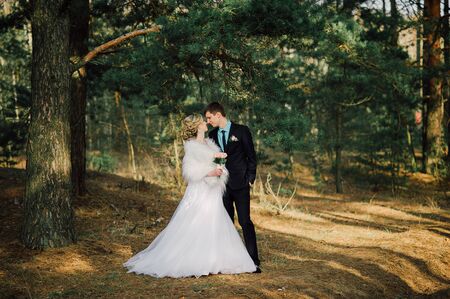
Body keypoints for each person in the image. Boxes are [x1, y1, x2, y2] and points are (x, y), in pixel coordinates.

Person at [123, 114, 256, 278]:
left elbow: (213, 163)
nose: (206, 122)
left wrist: (220, 169)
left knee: (215, 223)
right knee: (196, 222)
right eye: (202, 121)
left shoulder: (208, 143)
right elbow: (190, 172)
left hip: (213, 190)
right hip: (200, 190)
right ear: (197, 126)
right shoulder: (192, 146)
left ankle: (216, 258)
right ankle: (195, 259)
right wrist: (210, 172)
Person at [205, 102, 261, 273]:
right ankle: (229, 261)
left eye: (209, 117)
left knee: (245, 222)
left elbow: (251, 156)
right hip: (221, 187)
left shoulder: (241, 130)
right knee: (226, 223)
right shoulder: (212, 135)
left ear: (218, 115)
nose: (208, 121)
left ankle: (253, 261)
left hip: (241, 184)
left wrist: (250, 178)